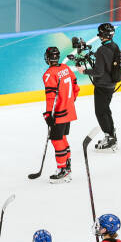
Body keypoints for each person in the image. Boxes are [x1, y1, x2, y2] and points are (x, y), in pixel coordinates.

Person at [86, 22, 121, 152]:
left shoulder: (101, 50)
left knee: (100, 112)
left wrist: (83, 70)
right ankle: (111, 135)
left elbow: (98, 72)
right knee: (106, 110)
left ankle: (109, 138)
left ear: (102, 35)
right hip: (110, 85)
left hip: (102, 86)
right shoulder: (114, 46)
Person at [42, 46, 79, 182]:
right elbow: (76, 86)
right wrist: (69, 101)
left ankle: (62, 169)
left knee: (57, 140)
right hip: (68, 110)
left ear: (48, 58)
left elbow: (50, 96)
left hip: (59, 113)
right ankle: (67, 166)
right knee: (62, 137)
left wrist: (48, 114)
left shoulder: (49, 74)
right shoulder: (66, 68)